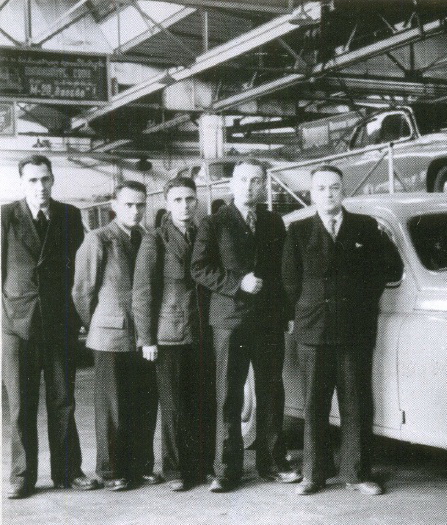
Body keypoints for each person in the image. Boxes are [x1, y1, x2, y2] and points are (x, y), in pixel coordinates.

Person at [191, 160, 300, 493]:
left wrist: (287, 312)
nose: (249, 186)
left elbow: (284, 271)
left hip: (268, 320)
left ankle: (273, 462)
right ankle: (226, 470)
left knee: (271, 391)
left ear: (263, 185)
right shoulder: (214, 222)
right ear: (232, 184)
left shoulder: (273, 222)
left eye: (255, 181)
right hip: (230, 321)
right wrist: (237, 283)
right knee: (229, 394)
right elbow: (199, 268)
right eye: (243, 180)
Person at [282, 165, 386, 496]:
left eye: (335, 187)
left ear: (343, 190)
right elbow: (289, 280)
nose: (328, 193)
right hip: (313, 331)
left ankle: (357, 473)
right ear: (312, 194)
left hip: (354, 331)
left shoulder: (365, 227)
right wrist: (304, 310)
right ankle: (314, 474)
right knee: (314, 405)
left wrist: (362, 304)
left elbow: (385, 268)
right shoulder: (298, 231)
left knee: (356, 403)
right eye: (322, 188)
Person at [1, 155, 99, 499]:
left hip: (60, 323)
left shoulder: (69, 215)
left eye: (45, 179)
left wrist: (80, 317)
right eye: (32, 180)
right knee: (20, 404)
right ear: (22, 182)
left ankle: (68, 471)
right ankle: (22, 477)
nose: (40, 187)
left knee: (63, 400)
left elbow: (79, 271)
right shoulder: (5, 216)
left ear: (53, 180)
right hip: (16, 324)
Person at [72, 180, 162, 491]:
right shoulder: (98, 239)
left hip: (144, 335)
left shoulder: (147, 238)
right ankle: (111, 470)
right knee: (113, 407)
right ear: (114, 206)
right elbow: (82, 292)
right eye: (128, 205)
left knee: (144, 402)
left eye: (140, 205)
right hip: (110, 337)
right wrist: (99, 323)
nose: (135, 211)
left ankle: (141, 466)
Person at [132, 176, 214, 491]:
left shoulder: (204, 233)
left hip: (202, 332)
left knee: (202, 402)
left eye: (190, 199)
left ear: (197, 201)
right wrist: (147, 339)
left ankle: (202, 465)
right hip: (169, 335)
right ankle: (175, 470)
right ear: (167, 204)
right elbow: (143, 292)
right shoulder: (155, 240)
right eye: (177, 200)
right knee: (174, 407)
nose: (184, 206)